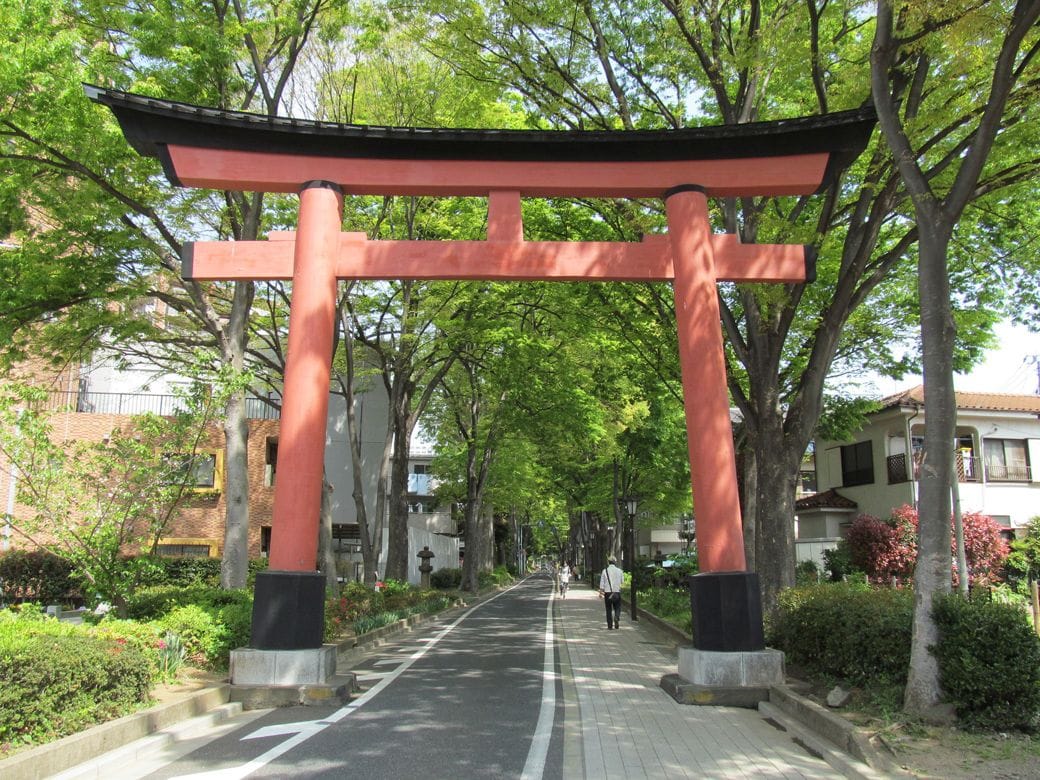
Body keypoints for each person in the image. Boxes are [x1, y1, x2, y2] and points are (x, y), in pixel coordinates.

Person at [599, 557, 624, 629]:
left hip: (608, 593)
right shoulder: (620, 571)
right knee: (618, 607)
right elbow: (622, 581)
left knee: (608, 609)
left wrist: (601, 592)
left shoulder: (605, 571)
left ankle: (610, 626)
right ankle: (616, 617)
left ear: (608, 562)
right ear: (615, 562)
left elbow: (602, 582)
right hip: (617, 592)